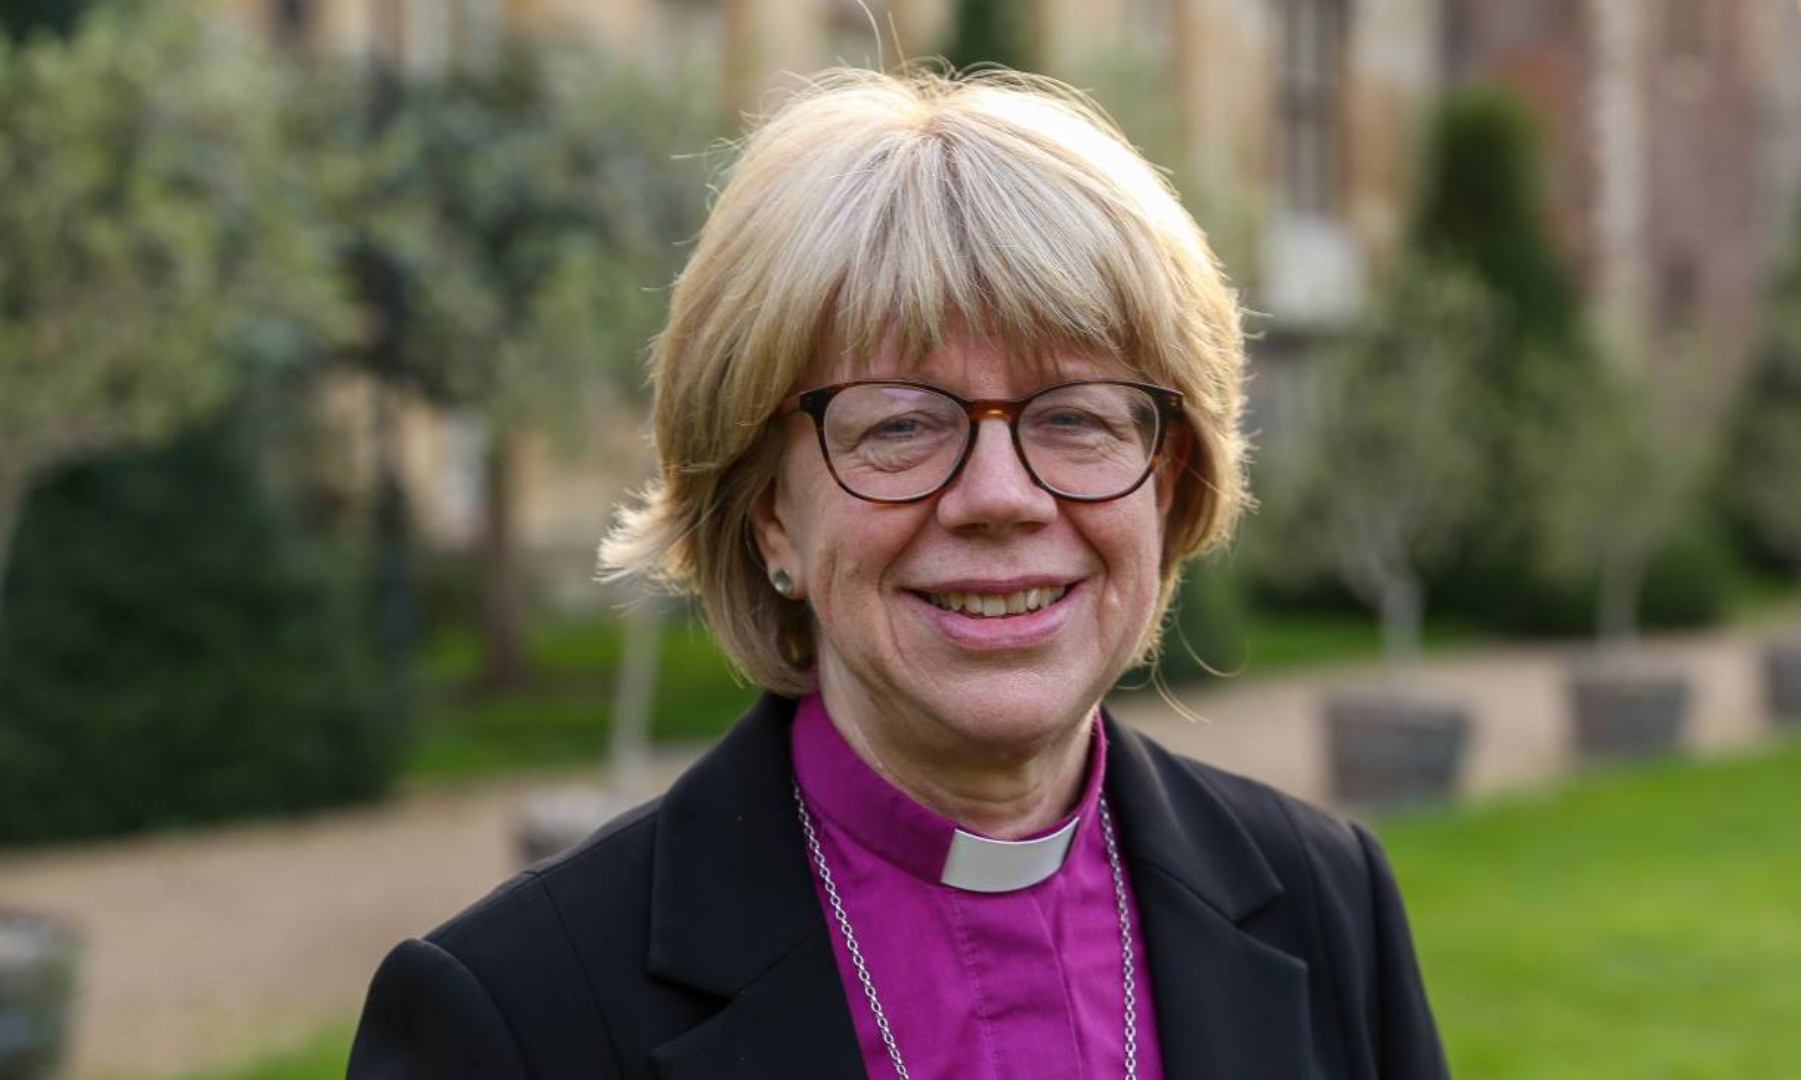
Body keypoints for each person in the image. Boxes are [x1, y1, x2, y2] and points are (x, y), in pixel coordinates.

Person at [347, 66, 1449, 1080]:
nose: (1001, 496)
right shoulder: (511, 1019)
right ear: (769, 513)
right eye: (901, 426)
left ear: (1166, 482)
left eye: (1075, 418)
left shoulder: (1326, 899)